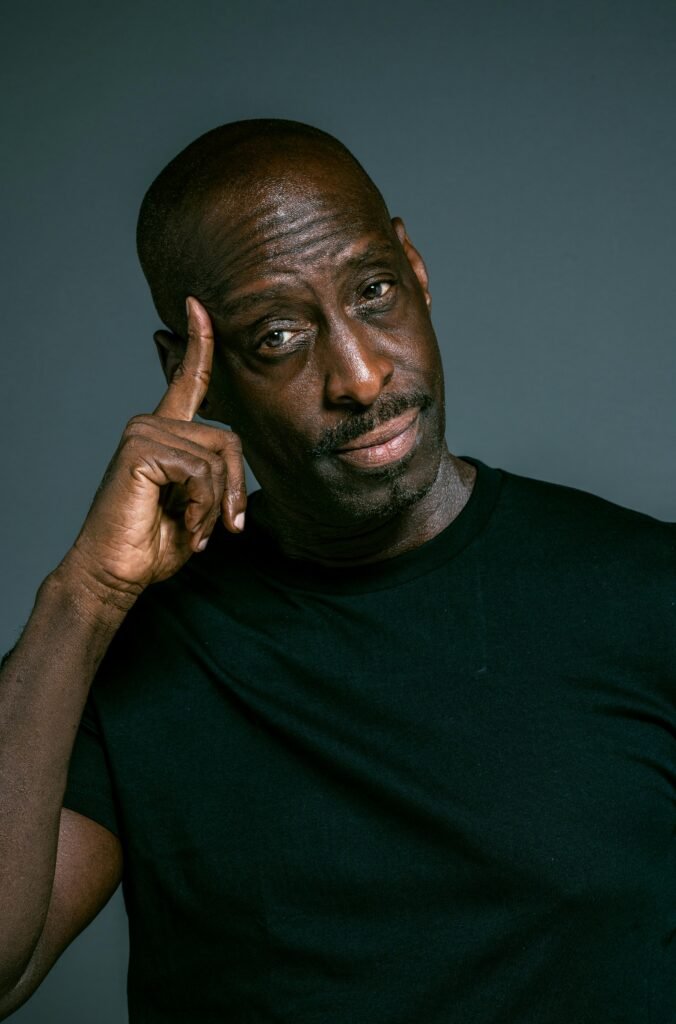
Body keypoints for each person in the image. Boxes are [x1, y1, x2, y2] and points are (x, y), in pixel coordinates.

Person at [0, 119, 673, 1024]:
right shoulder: (130, 645)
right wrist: (84, 595)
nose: (359, 376)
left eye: (374, 291)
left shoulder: (649, 591)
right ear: (193, 371)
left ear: (415, 268)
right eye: (278, 335)